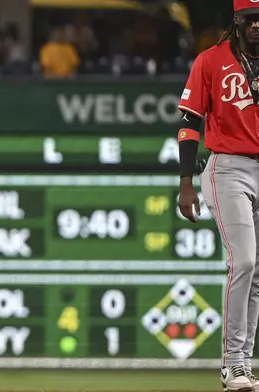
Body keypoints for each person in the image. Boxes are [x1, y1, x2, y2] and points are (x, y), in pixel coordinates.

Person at [177, 1, 259, 391]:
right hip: (228, 166)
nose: (257, 26)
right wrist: (185, 180)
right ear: (237, 22)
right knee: (243, 260)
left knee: (257, 272)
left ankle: (245, 363)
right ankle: (233, 365)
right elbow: (190, 121)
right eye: (250, 19)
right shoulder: (211, 61)